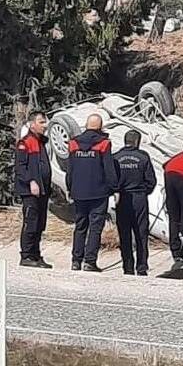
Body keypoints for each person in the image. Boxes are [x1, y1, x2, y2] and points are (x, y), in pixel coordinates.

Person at [66, 114, 118, 272]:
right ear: (100, 127)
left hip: (79, 192)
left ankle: (76, 260)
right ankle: (90, 262)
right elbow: (109, 169)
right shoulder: (104, 143)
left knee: (80, 226)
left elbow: (70, 168)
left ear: (86, 125)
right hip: (99, 192)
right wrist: (115, 188)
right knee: (95, 228)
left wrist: (70, 187)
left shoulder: (73, 143)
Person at [113, 130, 157, 276]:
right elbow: (151, 181)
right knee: (141, 233)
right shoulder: (143, 157)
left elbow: (111, 180)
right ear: (137, 141)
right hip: (139, 198)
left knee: (124, 234)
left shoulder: (115, 157)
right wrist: (144, 191)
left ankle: (128, 267)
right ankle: (142, 266)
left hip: (122, 198)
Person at [14, 111, 52, 269]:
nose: (45, 125)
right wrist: (31, 181)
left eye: (45, 122)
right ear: (32, 124)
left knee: (40, 224)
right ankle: (26, 255)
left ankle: (36, 254)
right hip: (30, 191)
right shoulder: (25, 143)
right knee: (31, 222)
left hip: (42, 191)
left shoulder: (41, 142)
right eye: (41, 122)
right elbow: (20, 167)